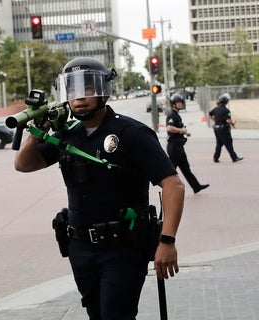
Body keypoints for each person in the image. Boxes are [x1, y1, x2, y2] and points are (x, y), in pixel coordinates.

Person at [14, 57, 185, 319]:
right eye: (73, 90)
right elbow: (24, 164)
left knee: (116, 315)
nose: (80, 98)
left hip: (123, 248)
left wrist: (167, 241)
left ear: (104, 91)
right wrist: (35, 133)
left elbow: (173, 186)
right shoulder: (68, 133)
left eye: (89, 89)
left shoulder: (131, 133)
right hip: (81, 248)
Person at [166, 94, 209, 194]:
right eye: (178, 102)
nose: (180, 104)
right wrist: (182, 130)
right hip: (174, 147)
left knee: (186, 168)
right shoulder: (172, 115)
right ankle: (167, 187)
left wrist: (184, 132)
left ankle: (196, 186)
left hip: (179, 146)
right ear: (173, 104)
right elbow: (169, 128)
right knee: (170, 170)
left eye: (181, 102)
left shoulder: (177, 115)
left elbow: (177, 129)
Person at [208, 93, 243, 163]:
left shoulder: (216, 109)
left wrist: (214, 119)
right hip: (223, 129)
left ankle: (215, 158)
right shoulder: (226, 110)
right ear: (226, 102)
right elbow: (228, 120)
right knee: (228, 143)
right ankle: (234, 157)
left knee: (219, 143)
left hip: (216, 128)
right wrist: (233, 123)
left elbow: (209, 114)